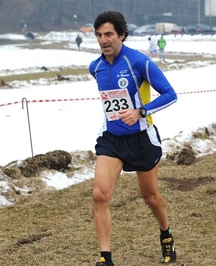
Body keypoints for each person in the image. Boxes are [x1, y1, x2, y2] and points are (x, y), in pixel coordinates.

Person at [89, 10, 177, 266]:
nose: (103, 40)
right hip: (112, 139)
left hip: (141, 139)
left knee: (150, 197)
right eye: (99, 35)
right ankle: (106, 258)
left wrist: (141, 110)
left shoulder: (140, 62)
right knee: (99, 195)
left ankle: (166, 234)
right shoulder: (95, 67)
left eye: (108, 34)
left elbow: (170, 94)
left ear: (122, 35)